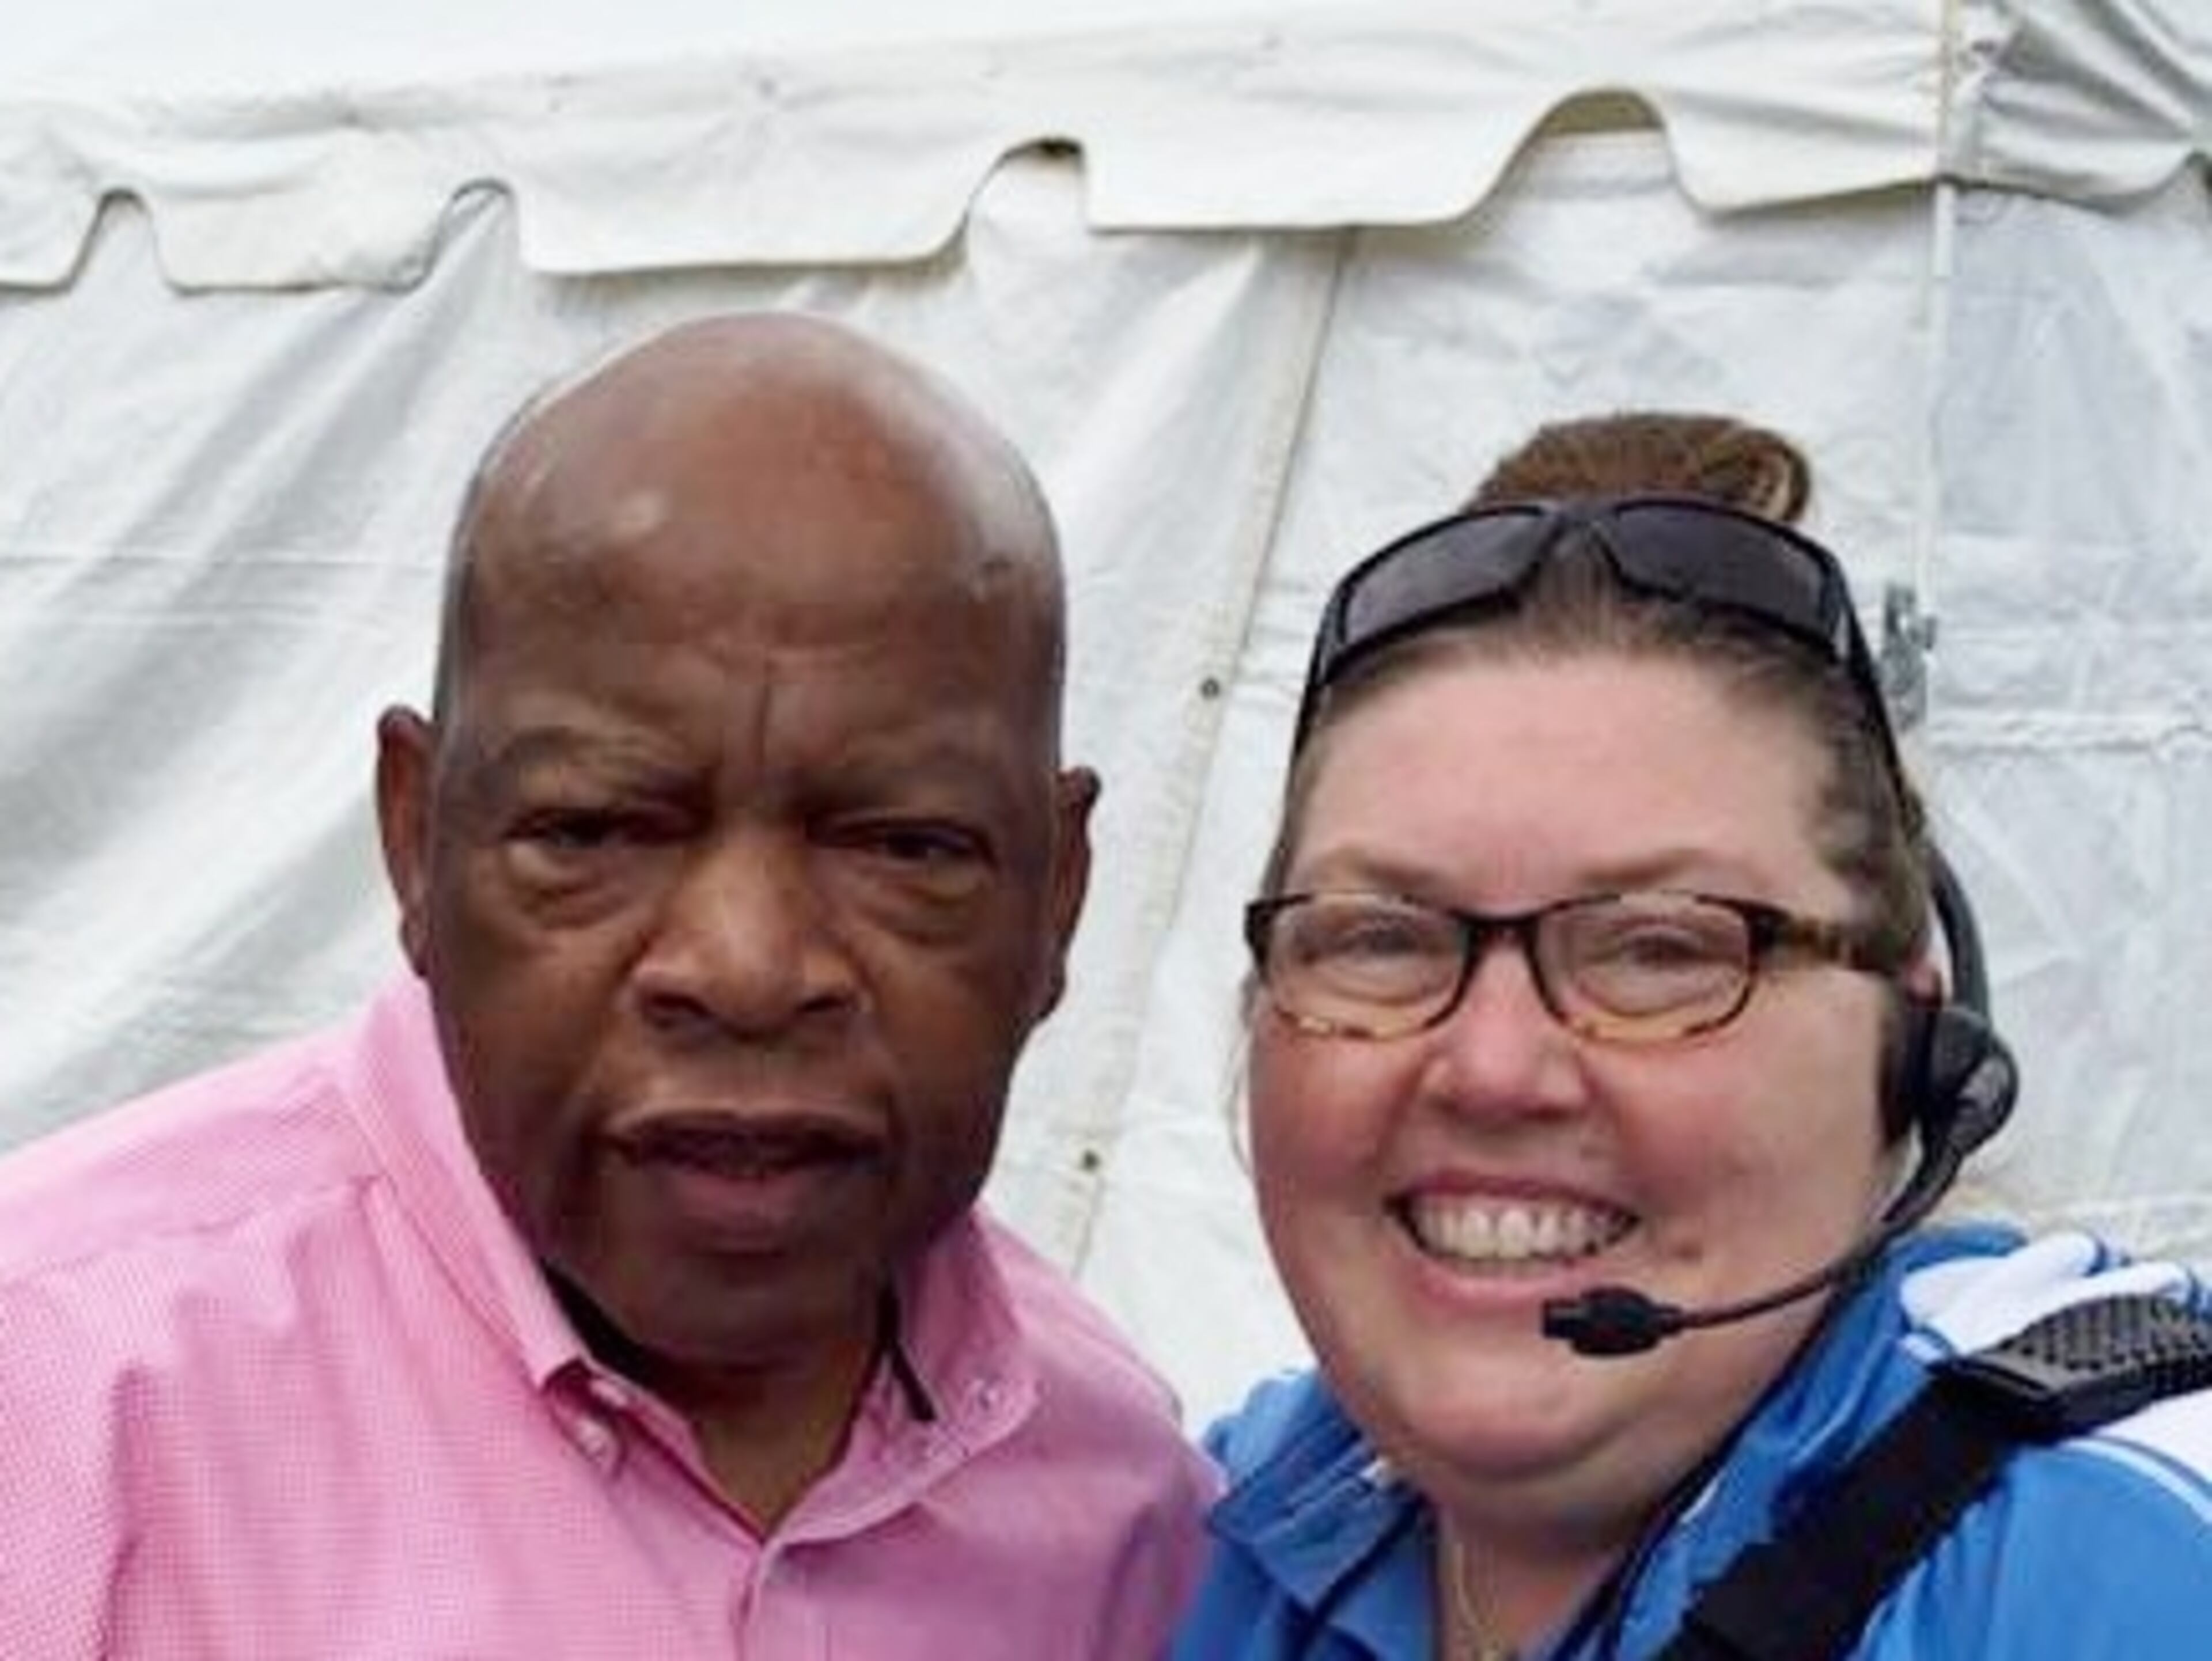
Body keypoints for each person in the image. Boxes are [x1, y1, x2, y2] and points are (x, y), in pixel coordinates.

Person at [0, 313, 1216, 1658]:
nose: (748, 969)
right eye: (593, 831)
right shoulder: (47, 1397)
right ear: (416, 838)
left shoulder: (1134, 1523)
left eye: (904, 846)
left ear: (1057, 896)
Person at [1171, 412, 2212, 1658]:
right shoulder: (1203, 1529)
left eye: (1659, 952)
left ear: (1912, 1053)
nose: (1494, 1067)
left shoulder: (2131, 1558)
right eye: (1381, 940)